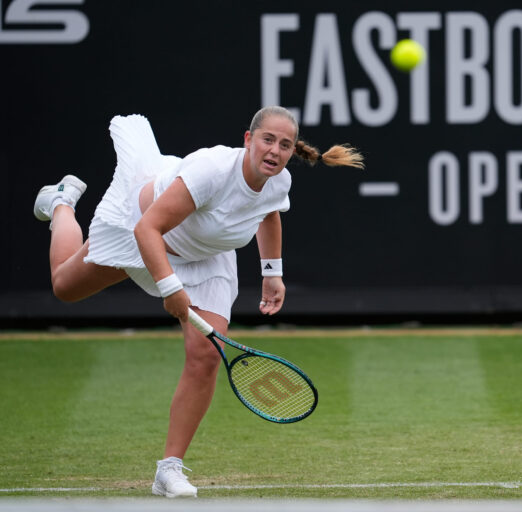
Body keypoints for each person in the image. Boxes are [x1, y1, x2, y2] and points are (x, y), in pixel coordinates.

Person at [32, 107, 364, 498]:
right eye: (267, 140)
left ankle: (168, 469)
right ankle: (61, 204)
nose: (275, 150)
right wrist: (169, 287)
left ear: (293, 151)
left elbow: (268, 214)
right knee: (64, 286)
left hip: (207, 258)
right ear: (248, 139)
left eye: (285, 145)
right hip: (141, 230)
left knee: (206, 354)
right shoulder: (211, 170)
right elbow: (147, 228)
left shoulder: (279, 180)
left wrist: (272, 272)